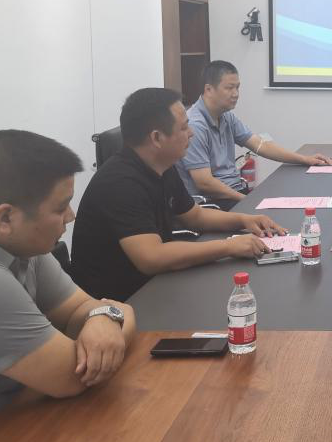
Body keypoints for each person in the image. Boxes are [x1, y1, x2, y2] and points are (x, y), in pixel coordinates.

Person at [0, 130, 136, 442]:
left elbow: (79, 311)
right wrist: (116, 314)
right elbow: (74, 376)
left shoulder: (19, 244)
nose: (71, 216)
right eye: (60, 208)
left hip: (16, 421)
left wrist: (105, 316)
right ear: (6, 217)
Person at [70, 88, 285, 301]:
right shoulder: (120, 183)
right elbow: (151, 258)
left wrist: (244, 220)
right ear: (156, 138)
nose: (191, 133)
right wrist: (228, 246)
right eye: (184, 127)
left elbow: (194, 216)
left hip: (155, 285)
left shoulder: (162, 165)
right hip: (118, 301)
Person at [178, 61, 332, 208]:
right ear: (209, 90)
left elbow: (260, 145)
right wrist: (247, 200)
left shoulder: (226, 117)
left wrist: (305, 159)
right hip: (215, 202)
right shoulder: (195, 125)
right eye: (229, 88)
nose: (236, 94)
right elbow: (204, 183)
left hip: (234, 192)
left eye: (237, 88)